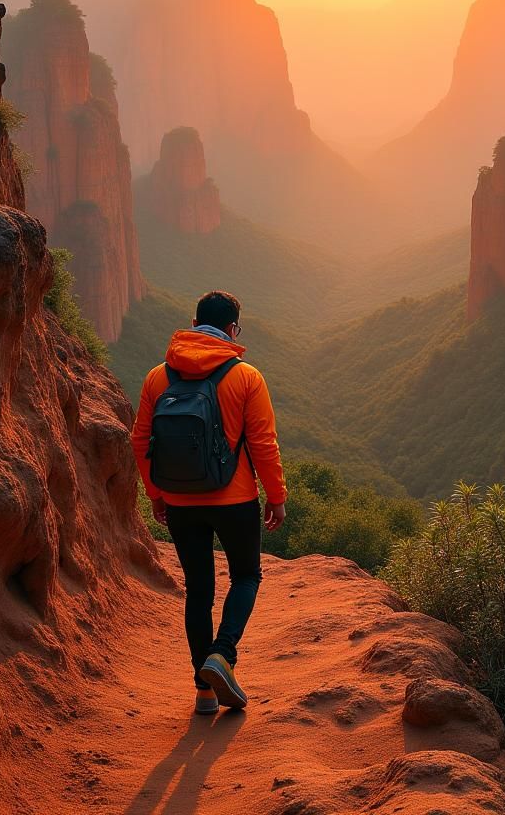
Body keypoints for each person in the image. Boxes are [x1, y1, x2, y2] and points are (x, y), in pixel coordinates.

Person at [130, 290, 287, 715]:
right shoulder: (246, 376)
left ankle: (203, 690)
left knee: (198, 590)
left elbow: (140, 440)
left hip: (180, 500)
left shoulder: (157, 377)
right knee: (246, 577)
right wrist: (276, 497)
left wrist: (157, 494)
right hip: (235, 499)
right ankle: (223, 655)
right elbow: (263, 444)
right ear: (232, 329)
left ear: (193, 323)